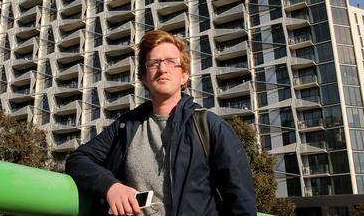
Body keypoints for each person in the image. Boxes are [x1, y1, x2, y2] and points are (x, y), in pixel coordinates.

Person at [66, 30, 255, 215]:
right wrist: (111, 186)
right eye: (154, 63)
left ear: (184, 76)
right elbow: (77, 160)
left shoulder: (209, 126)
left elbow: (240, 201)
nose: (163, 69)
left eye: (172, 62)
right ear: (144, 78)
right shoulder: (126, 126)